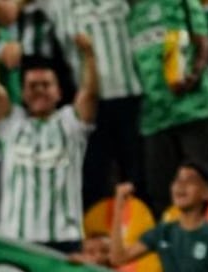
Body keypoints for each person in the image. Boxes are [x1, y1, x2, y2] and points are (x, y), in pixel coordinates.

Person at [0, 32, 98, 252]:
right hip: (15, 237)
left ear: (59, 92)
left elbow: (90, 93)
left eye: (46, 84)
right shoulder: (11, 125)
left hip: (64, 238)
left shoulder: (71, 124)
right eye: (32, 86)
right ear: (23, 93)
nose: (39, 90)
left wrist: (89, 55)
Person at [45, 0, 146, 208]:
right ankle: (95, 236)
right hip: (89, 104)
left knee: (138, 180)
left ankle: (140, 235)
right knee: (93, 183)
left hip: (132, 96)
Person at [128, 0, 208, 214]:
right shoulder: (129, 13)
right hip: (154, 116)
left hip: (194, 110)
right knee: (161, 190)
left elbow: (203, 42)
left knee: (207, 184)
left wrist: (194, 74)